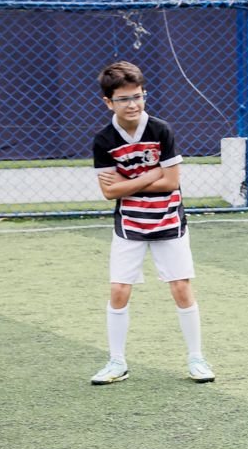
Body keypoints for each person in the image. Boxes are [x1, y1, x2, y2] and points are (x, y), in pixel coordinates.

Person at [89, 60, 214, 386]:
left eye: (138, 96)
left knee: (181, 287)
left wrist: (129, 182)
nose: (132, 104)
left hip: (168, 219)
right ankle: (117, 362)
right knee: (118, 290)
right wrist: (149, 175)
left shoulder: (161, 130)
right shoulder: (104, 140)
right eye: (123, 99)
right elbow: (108, 191)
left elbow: (171, 182)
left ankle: (196, 358)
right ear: (108, 102)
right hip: (130, 223)